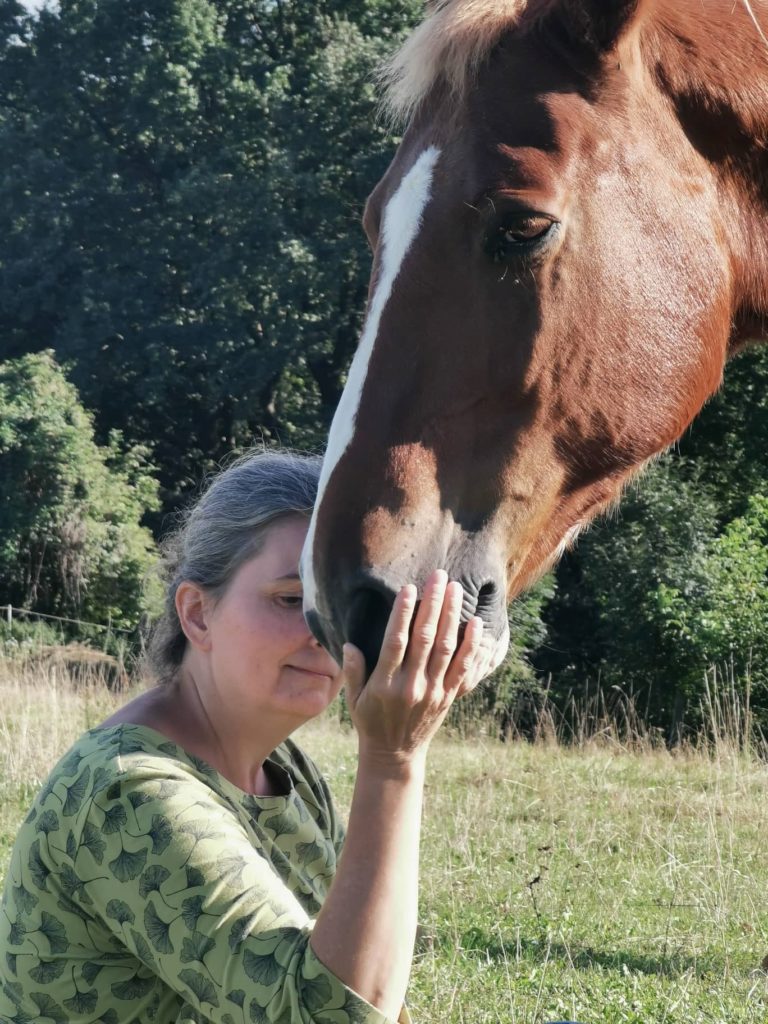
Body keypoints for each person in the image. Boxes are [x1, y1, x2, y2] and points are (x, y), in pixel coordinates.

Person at [0, 449, 491, 1024]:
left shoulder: (286, 770)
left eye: (336, 603)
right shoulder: (126, 792)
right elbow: (327, 1018)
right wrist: (393, 761)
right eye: (290, 599)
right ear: (198, 615)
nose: (319, 631)